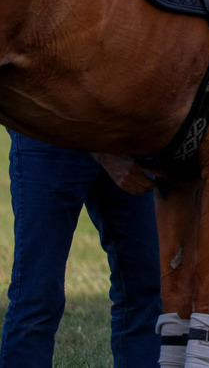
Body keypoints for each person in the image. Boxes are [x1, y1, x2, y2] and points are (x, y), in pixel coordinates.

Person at [1, 129, 162, 367]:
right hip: (48, 136)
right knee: (37, 293)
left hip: (126, 134)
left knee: (146, 287)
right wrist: (104, 152)